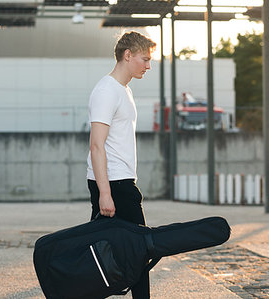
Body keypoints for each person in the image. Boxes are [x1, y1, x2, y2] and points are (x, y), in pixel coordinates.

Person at [86, 31, 156, 299]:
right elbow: (96, 145)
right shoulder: (106, 90)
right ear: (128, 55)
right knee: (138, 249)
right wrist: (105, 193)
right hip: (114, 184)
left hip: (120, 181)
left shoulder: (122, 90)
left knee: (106, 250)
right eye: (145, 59)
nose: (148, 66)